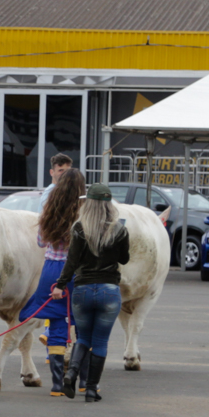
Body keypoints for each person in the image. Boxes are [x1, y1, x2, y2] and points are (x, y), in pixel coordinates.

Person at [52, 182, 129, 403]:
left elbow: (72, 261)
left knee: (83, 337)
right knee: (101, 342)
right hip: (109, 291)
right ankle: (92, 390)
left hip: (83, 290)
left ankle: (71, 374)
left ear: (89, 203)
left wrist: (60, 285)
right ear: (109, 204)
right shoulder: (120, 229)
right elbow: (124, 259)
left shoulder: (78, 227)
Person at [24, 155, 81, 395]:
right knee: (84, 326)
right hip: (76, 272)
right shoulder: (84, 209)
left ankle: (57, 385)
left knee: (57, 325)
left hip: (51, 270)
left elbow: (40, 241)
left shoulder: (49, 207)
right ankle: (85, 382)